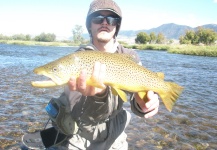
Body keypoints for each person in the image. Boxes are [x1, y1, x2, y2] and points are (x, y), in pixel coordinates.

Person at [22, 0, 159, 149]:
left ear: (117, 25)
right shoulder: (77, 59)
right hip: (81, 138)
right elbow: (79, 113)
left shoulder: (130, 56)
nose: (105, 23)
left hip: (116, 138)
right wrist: (99, 96)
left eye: (112, 19)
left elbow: (136, 101)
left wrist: (143, 103)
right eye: (98, 18)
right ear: (89, 25)